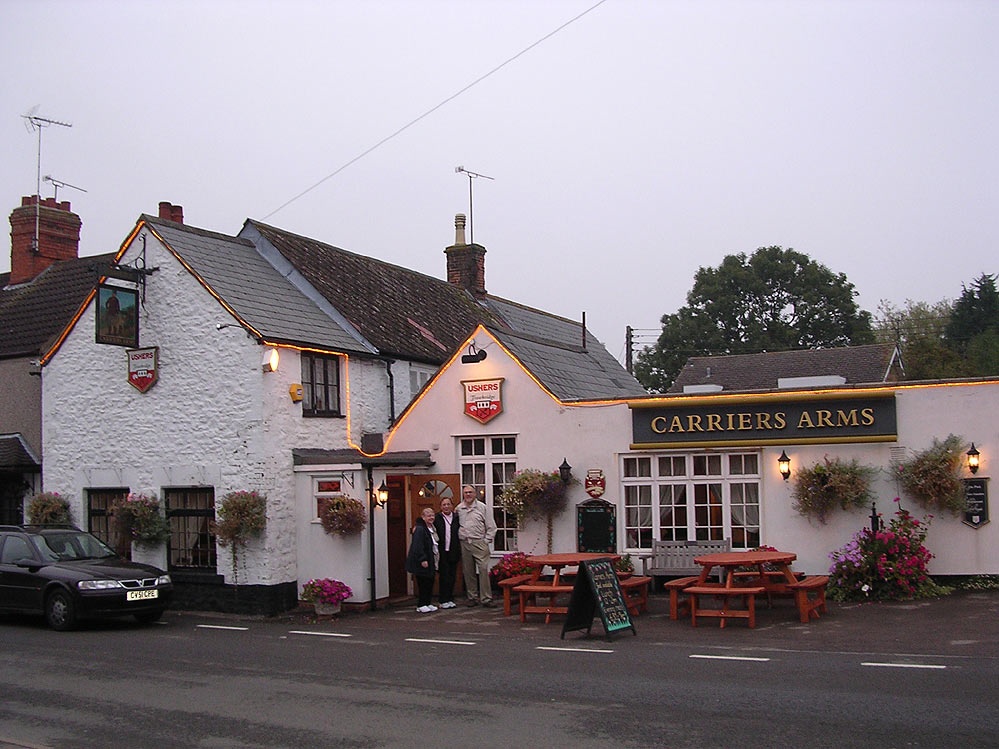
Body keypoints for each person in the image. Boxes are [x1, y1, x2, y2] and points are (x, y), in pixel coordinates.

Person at [456, 484, 497, 607]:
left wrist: (486, 540)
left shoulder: (482, 507)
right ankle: (472, 597)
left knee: (483, 570)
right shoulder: (459, 509)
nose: (468, 494)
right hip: (464, 543)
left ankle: (486, 598)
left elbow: (491, 526)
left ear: (475, 494)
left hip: (479, 542)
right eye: (466, 492)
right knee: (468, 572)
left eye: (470, 492)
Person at [405, 507, 439, 613]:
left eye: (432, 515)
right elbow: (418, 545)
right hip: (423, 560)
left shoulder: (432, 527)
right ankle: (421, 604)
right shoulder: (420, 528)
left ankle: (428, 602)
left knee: (430, 581)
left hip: (431, 558)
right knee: (423, 582)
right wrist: (422, 559)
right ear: (423, 517)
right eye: (428, 515)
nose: (431, 517)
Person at [434, 497, 461, 609]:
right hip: (442, 551)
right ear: (441, 507)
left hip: (453, 550)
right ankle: (443, 599)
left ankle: (450, 598)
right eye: (444, 505)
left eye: (448, 504)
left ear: (452, 506)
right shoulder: (437, 518)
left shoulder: (456, 518)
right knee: (444, 576)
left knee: (452, 576)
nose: (446, 506)